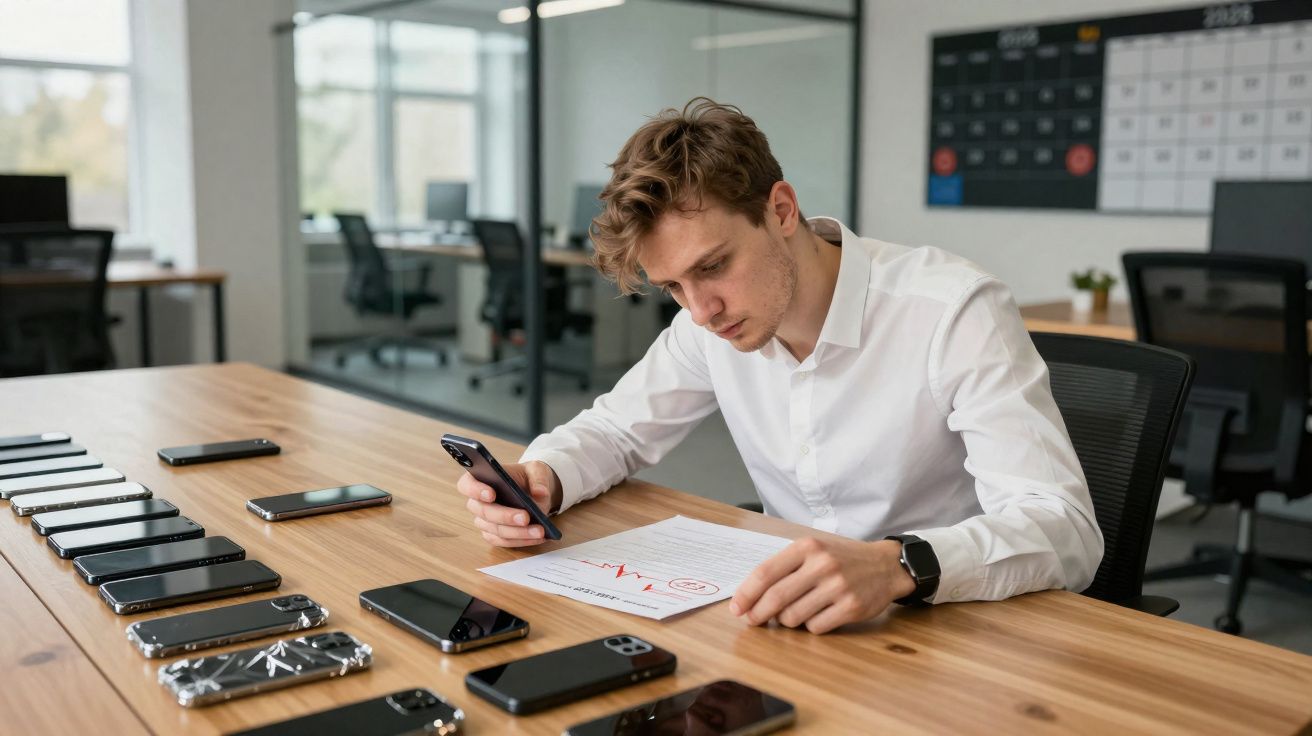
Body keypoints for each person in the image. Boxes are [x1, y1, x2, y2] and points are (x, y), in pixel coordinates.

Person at [457, 98, 1103, 634]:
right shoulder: (708, 323)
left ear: (782, 210)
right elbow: (617, 430)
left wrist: (899, 566)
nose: (701, 310)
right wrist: (543, 476)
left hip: (950, 624)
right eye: (674, 288)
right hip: (789, 621)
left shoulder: (951, 310)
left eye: (712, 267)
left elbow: (1064, 528)